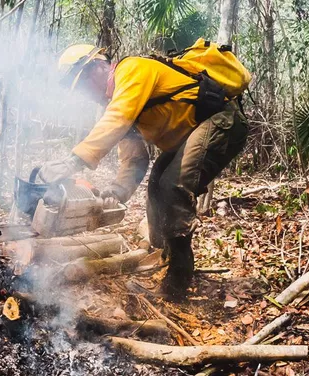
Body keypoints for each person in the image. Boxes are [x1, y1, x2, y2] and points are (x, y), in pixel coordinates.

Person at [37, 44, 249, 301]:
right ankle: (163, 258)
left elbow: (118, 118)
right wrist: (116, 192)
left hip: (224, 121)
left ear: (96, 68)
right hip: (195, 133)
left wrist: (74, 160)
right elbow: (135, 159)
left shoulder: (132, 69)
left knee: (173, 186)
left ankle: (178, 281)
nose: (85, 94)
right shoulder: (124, 100)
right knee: (156, 187)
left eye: (81, 85)